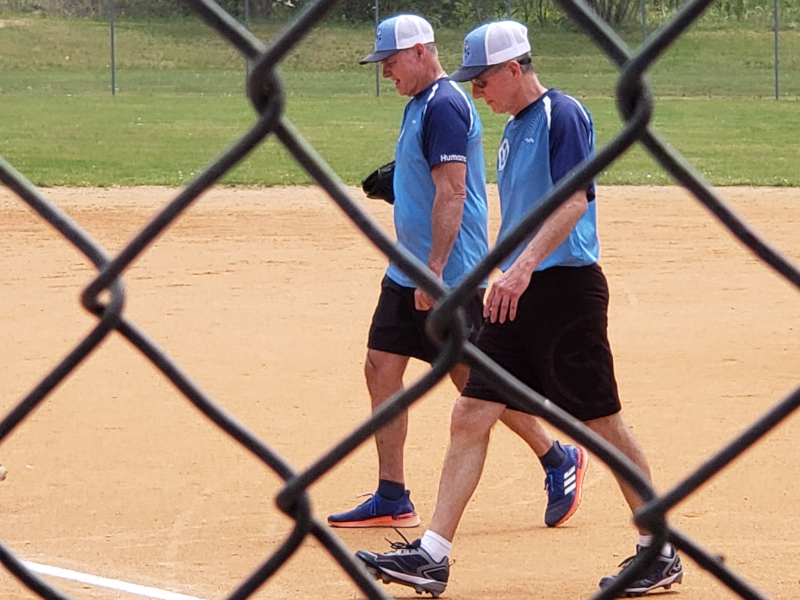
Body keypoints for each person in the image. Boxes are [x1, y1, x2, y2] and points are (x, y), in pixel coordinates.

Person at [355, 20, 684, 598]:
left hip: (565, 290)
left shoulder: (563, 114)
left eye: (483, 80)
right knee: (470, 414)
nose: (477, 92)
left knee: (601, 421)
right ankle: (433, 554)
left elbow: (575, 200)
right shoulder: (513, 128)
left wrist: (523, 265)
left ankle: (657, 548)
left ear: (514, 70)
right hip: (518, 292)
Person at [327, 14, 587, 531]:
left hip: (449, 273)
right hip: (409, 267)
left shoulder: (446, 103)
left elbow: (454, 191)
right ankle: (392, 493)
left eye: (392, 61)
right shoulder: (420, 105)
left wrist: (437, 270)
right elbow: (430, 183)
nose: (386, 73)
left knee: (472, 378)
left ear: (421, 53)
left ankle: (557, 457)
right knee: (381, 366)